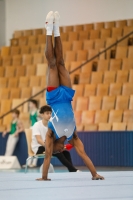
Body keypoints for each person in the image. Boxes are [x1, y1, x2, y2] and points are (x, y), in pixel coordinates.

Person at [37, 11, 104, 181]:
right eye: (61, 150)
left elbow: (46, 158)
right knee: (61, 63)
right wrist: (94, 174)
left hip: (53, 97)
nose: (61, 150)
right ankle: (57, 29)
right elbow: (84, 155)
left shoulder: (50, 136)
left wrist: (44, 177)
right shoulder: (73, 136)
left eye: (59, 150)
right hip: (66, 96)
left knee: (52, 64)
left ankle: (48, 29)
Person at [32, 105, 79, 172]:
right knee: (57, 153)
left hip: (48, 146)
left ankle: (71, 170)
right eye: (47, 113)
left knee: (66, 153)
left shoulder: (51, 125)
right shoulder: (37, 125)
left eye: (50, 113)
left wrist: (60, 146)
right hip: (38, 148)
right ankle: (73, 169)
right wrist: (50, 146)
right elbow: (39, 140)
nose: (49, 115)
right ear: (42, 115)